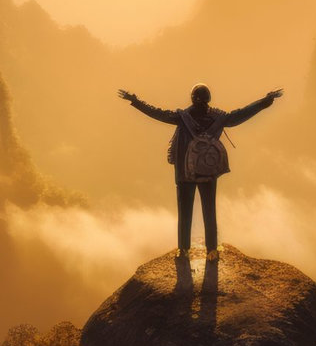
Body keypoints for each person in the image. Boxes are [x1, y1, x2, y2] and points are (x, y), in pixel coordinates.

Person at [118, 84, 282, 258]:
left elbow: (158, 113)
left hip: (184, 173)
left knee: (185, 212)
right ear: (209, 98)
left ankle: (184, 250)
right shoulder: (219, 118)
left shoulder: (181, 117)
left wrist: (136, 101)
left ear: (192, 98)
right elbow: (240, 115)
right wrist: (264, 102)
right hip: (208, 170)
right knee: (209, 210)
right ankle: (212, 250)